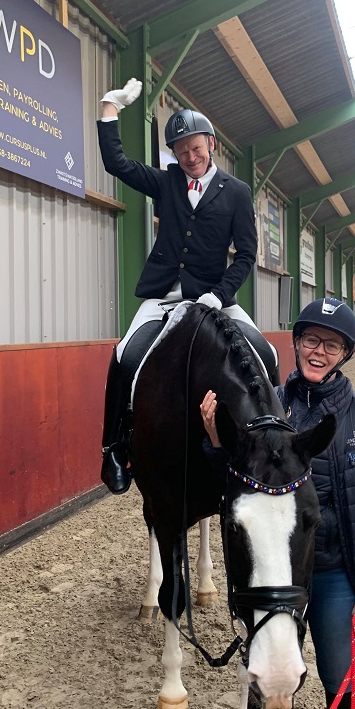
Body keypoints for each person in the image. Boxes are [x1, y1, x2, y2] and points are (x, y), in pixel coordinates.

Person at [201, 297, 355, 709]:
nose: (318, 351)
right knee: (269, 679)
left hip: (334, 572)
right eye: (311, 339)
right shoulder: (262, 408)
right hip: (277, 573)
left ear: (345, 353)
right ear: (296, 342)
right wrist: (216, 441)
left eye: (331, 345)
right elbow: (231, 489)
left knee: (343, 680)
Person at [97, 78, 277, 495]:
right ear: (174, 155)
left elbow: (246, 255)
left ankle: (274, 437)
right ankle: (113, 448)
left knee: (266, 354)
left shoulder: (237, 193)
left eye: (196, 149)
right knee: (125, 356)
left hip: (214, 296)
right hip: (163, 295)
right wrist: (110, 109)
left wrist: (220, 294)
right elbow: (117, 164)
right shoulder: (167, 182)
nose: (191, 158)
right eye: (182, 152)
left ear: (211, 144)